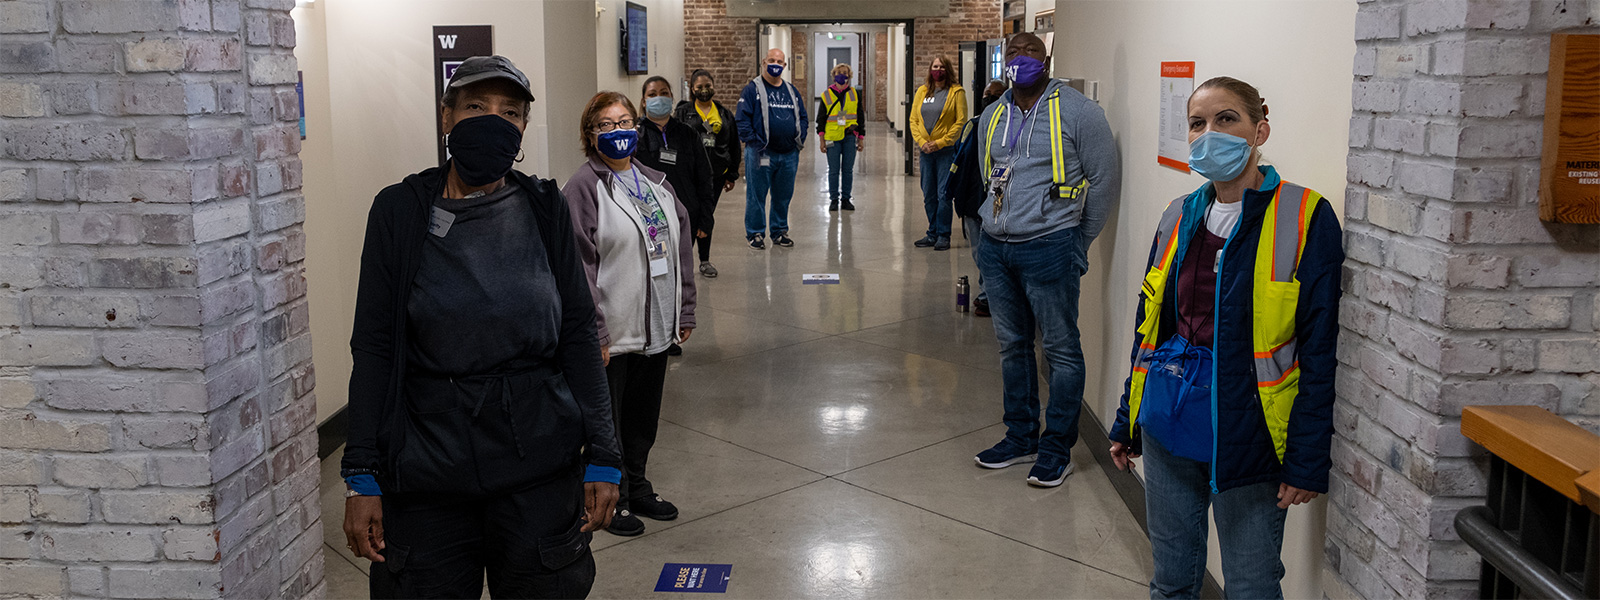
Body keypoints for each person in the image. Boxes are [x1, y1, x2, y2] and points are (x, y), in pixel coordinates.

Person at [341, 55, 621, 599]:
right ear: (446, 117)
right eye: (475, 106)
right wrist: (360, 474)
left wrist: (605, 456)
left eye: (510, 112)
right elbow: (374, 348)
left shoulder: (544, 208)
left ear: (521, 129)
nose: (493, 120)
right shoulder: (399, 212)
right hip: (427, 470)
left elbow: (579, 335)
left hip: (536, 462)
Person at [1108, 77, 1342, 599]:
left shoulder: (1305, 217)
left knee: (1252, 586)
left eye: (1226, 119)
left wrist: (1306, 461)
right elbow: (1151, 330)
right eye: (1197, 123)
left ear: (1260, 128)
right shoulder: (1178, 216)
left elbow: (1321, 351)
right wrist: (1128, 418)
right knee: (1171, 580)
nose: (1209, 133)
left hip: (1248, 437)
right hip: (1169, 421)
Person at [970, 33, 1121, 487]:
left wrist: (1079, 242)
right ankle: (1021, 437)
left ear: (1047, 58)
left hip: (1051, 246)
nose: (1020, 59)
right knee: (1012, 346)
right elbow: (986, 173)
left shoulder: (1080, 112)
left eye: (1030, 51)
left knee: (1060, 351)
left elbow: (1104, 180)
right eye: (1012, 52)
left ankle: (1057, 449)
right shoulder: (993, 115)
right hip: (996, 249)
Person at [563, 91, 698, 538]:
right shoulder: (583, 188)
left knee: (642, 417)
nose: (618, 131)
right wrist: (595, 332)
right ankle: (610, 495)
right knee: (610, 421)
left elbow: (679, 246)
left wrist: (685, 307)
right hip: (613, 330)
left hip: (656, 324)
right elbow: (579, 268)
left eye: (625, 121)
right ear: (590, 135)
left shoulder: (656, 182)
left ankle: (637, 485)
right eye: (606, 124)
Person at [638, 75, 716, 284]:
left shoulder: (687, 133)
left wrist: (705, 217)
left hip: (685, 216)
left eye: (664, 93)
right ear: (644, 101)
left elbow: (704, 177)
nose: (659, 98)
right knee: (658, 273)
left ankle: (681, 313)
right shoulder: (637, 136)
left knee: (681, 273)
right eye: (652, 94)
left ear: (672, 97)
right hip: (651, 220)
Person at [947, 79, 1009, 317]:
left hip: (997, 200)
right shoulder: (972, 125)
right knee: (979, 252)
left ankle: (991, 296)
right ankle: (988, 294)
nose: (990, 97)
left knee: (993, 251)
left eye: (997, 94)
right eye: (987, 94)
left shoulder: (1010, 127)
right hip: (972, 199)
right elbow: (959, 162)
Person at [736, 48, 809, 249]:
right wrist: (754, 142)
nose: (775, 64)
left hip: (788, 154)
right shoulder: (752, 90)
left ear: (784, 66)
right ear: (763, 62)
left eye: (779, 61)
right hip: (761, 153)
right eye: (771, 60)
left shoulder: (791, 90)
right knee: (756, 195)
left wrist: (799, 139)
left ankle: (779, 231)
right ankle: (755, 233)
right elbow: (742, 120)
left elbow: (803, 116)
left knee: (783, 195)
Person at [674, 69, 742, 278]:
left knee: (706, 215)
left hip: (715, 175)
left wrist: (731, 174)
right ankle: (681, 260)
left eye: (708, 86)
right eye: (699, 87)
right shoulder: (683, 113)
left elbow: (734, 145)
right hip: (688, 175)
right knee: (686, 216)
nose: (704, 90)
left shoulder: (723, 113)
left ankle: (704, 260)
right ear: (692, 89)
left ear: (714, 86)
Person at [909, 55, 967, 251]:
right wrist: (922, 142)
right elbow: (913, 120)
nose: (938, 70)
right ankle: (932, 232)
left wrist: (941, 142)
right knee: (928, 194)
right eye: (935, 66)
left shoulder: (956, 92)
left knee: (943, 194)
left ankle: (943, 234)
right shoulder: (922, 91)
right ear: (930, 69)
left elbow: (960, 121)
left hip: (945, 151)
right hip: (926, 151)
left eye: (942, 66)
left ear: (947, 69)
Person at [815, 63, 865, 212]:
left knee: (848, 170)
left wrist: (861, 137)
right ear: (833, 75)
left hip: (850, 136)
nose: (841, 75)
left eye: (844, 73)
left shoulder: (855, 94)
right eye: (838, 72)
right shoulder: (826, 95)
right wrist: (821, 140)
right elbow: (821, 119)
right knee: (834, 170)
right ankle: (834, 200)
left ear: (849, 75)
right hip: (831, 137)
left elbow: (860, 117)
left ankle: (846, 199)